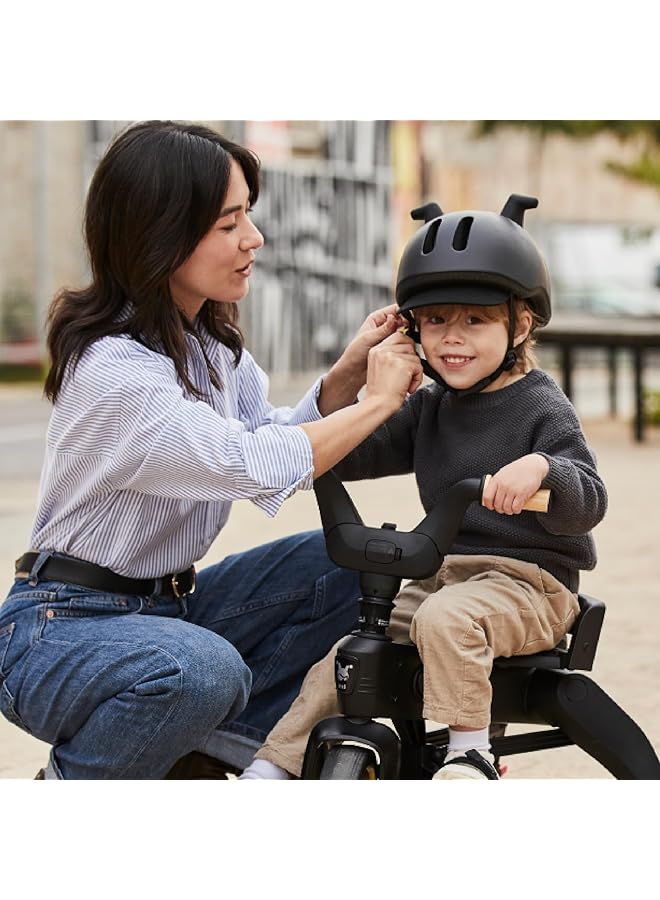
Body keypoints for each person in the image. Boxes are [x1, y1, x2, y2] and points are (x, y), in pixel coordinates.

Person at [0, 120, 423, 780]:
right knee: (203, 668)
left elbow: (270, 435)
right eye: (229, 224)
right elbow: (244, 464)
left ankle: (213, 752)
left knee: (354, 564)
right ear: (161, 233)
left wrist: (345, 377)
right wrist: (377, 403)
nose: (253, 239)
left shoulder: (210, 345)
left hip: (170, 609)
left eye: (247, 216)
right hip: (58, 631)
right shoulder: (115, 370)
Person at [240, 194, 608, 780]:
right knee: (350, 654)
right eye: (436, 320)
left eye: (475, 320)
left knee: (446, 620)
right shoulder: (432, 404)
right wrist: (363, 389)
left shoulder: (541, 405)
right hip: (444, 578)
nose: (452, 339)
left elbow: (590, 497)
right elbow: (355, 451)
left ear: (521, 322)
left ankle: (469, 752)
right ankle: (275, 767)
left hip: (531, 588)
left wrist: (543, 470)